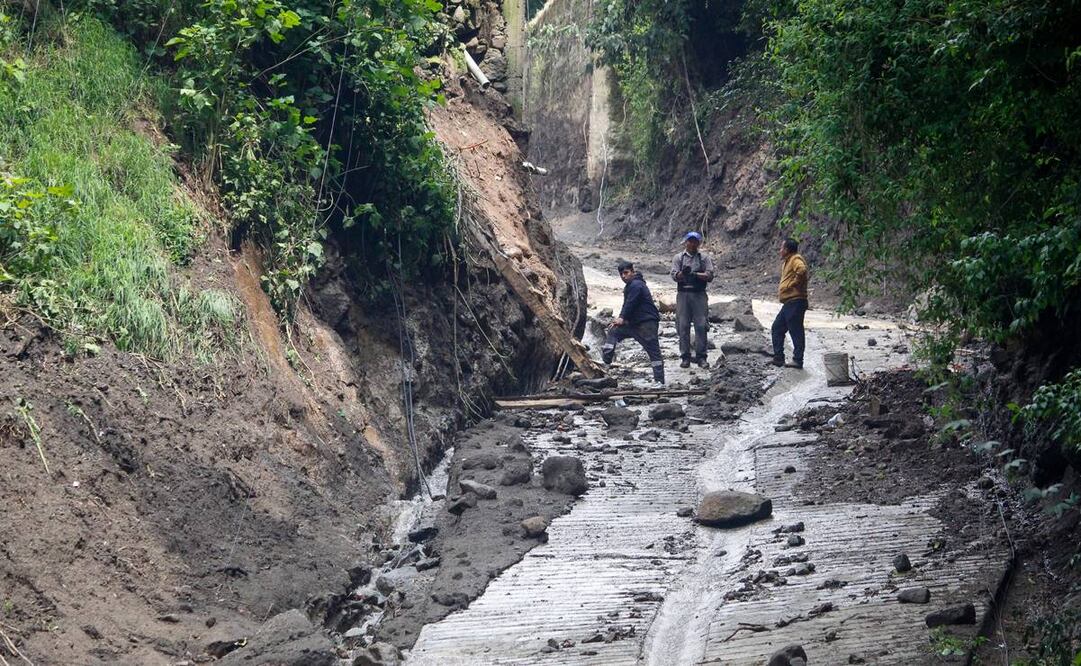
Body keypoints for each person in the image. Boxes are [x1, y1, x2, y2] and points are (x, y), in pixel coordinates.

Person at [602, 261, 665, 384]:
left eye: (626, 273)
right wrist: (623, 319)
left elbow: (631, 303)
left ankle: (659, 382)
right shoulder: (631, 286)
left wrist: (621, 317)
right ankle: (606, 362)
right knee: (613, 330)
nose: (624, 276)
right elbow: (627, 305)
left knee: (654, 353)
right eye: (621, 274)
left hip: (647, 323)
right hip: (634, 323)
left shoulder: (636, 285)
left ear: (633, 272)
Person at [670, 231, 714, 368]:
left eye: (695, 241)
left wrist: (695, 275)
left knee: (701, 326)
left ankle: (701, 357)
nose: (693, 244)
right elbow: (673, 275)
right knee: (683, 326)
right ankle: (685, 357)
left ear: (699, 243)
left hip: (699, 295)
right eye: (690, 241)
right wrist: (682, 274)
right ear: (686, 242)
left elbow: (710, 275)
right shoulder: (678, 258)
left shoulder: (704, 258)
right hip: (683, 295)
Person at [771, 237, 809, 369]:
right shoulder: (788, 261)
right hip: (790, 302)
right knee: (777, 328)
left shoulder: (795, 259)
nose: (780, 250)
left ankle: (798, 360)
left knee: (796, 331)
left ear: (787, 250)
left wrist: (791, 285)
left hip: (796, 301)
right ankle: (778, 358)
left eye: (781, 248)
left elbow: (802, 270)